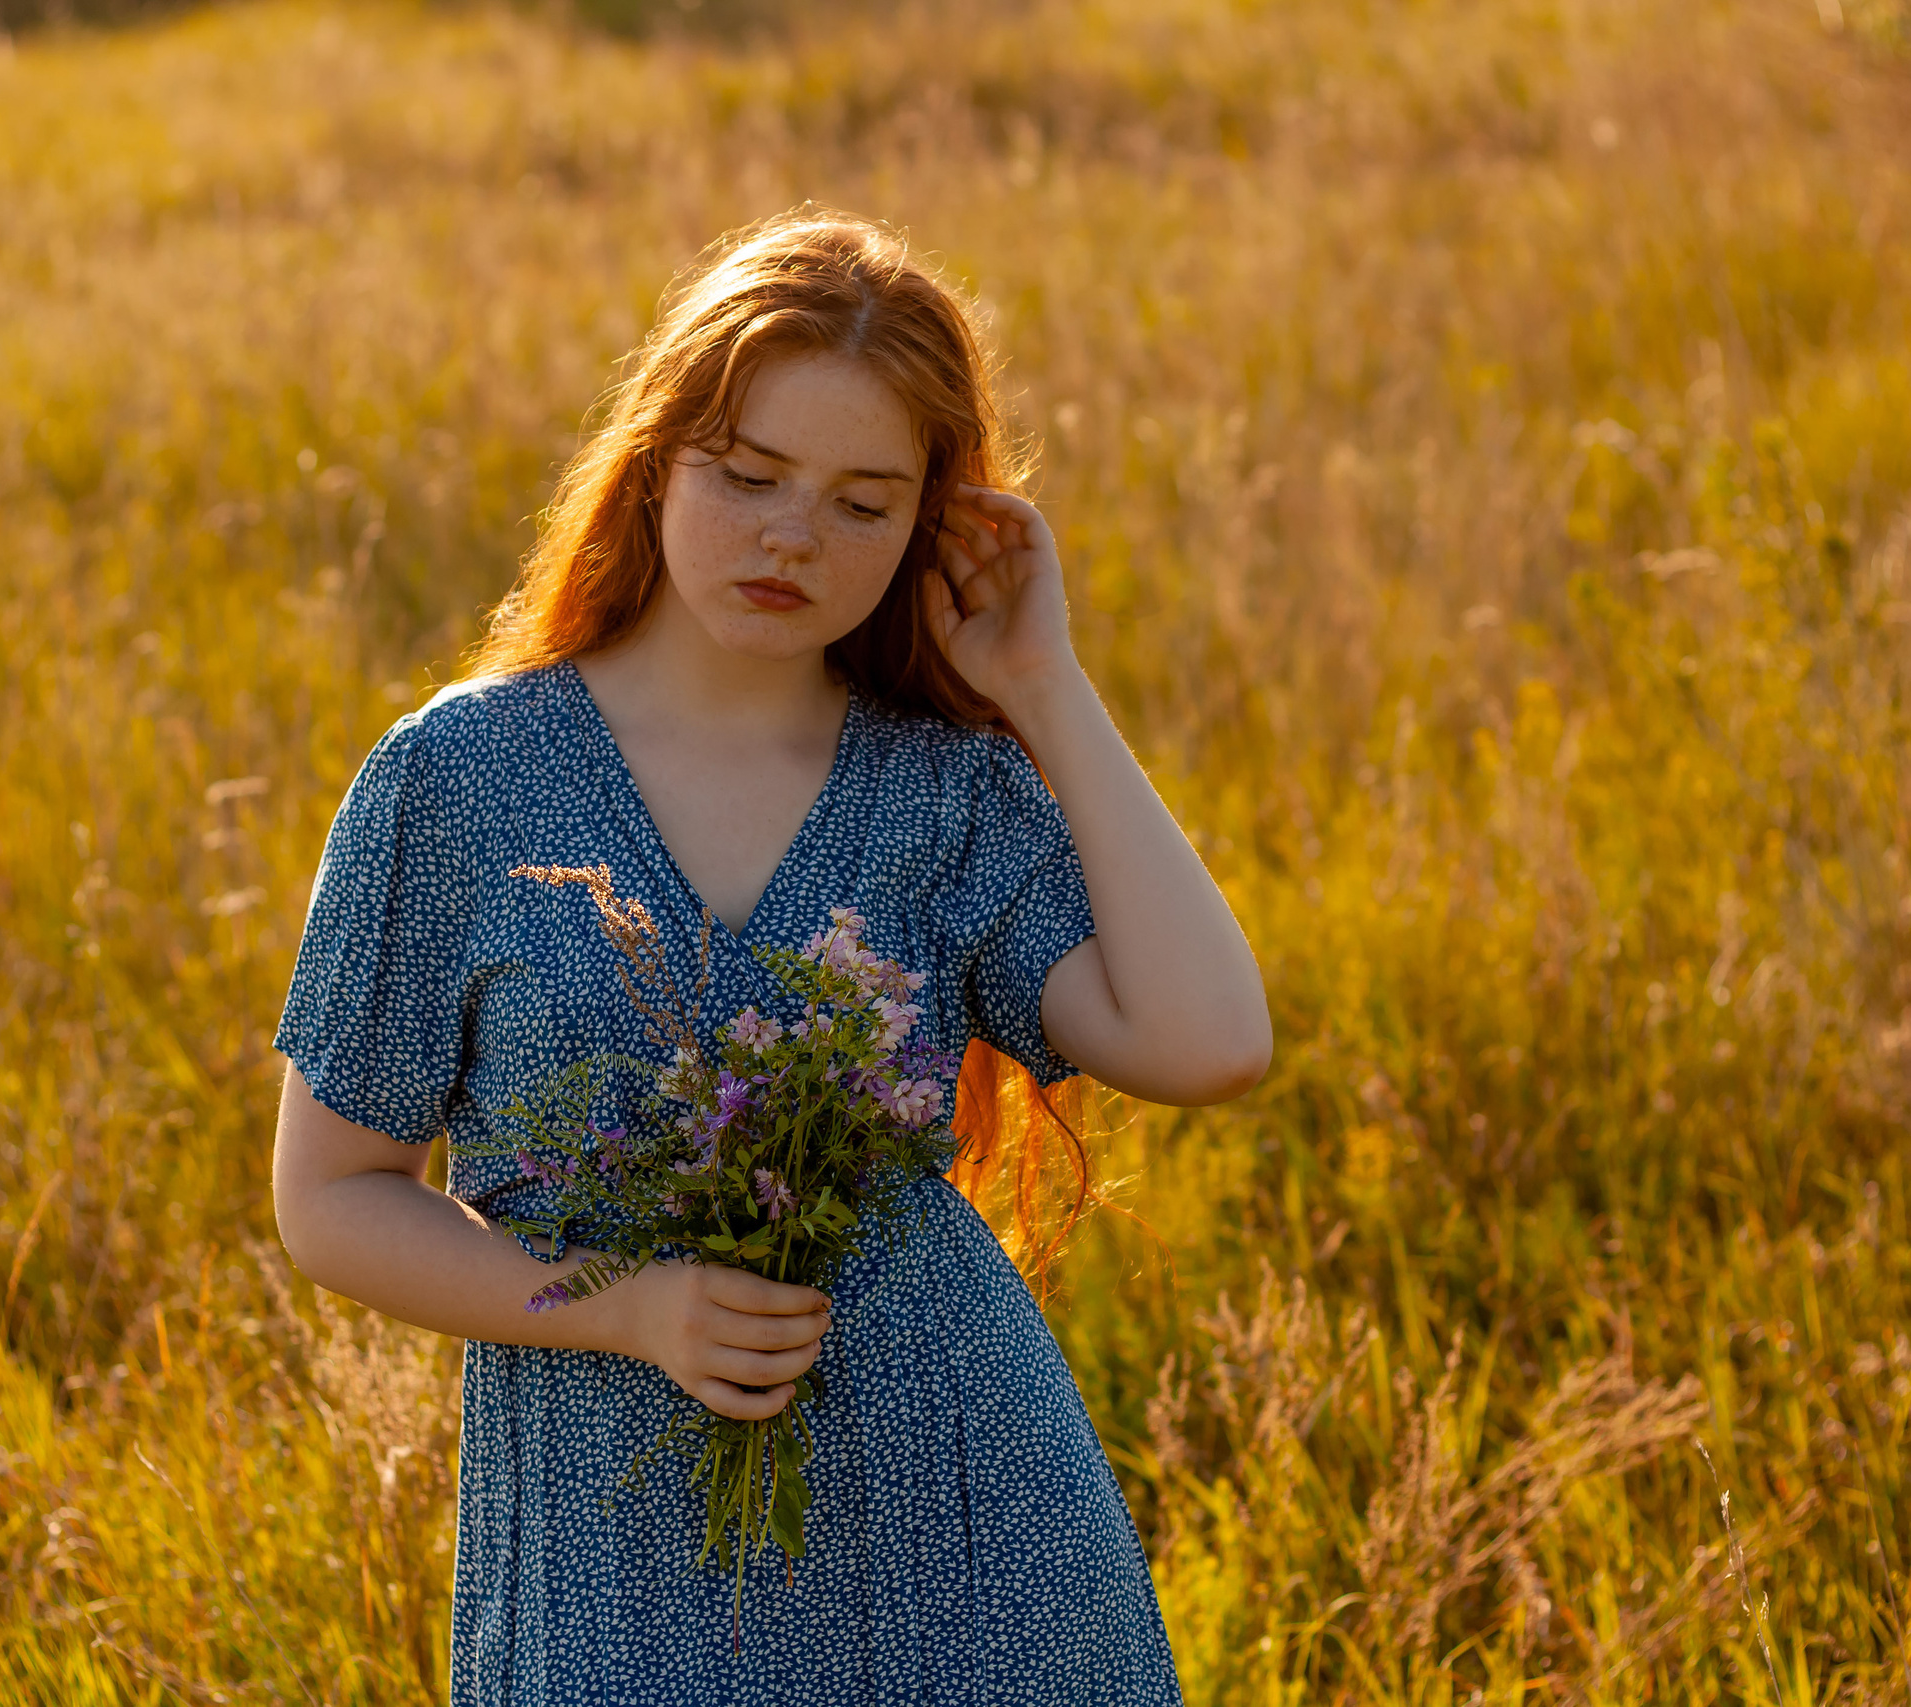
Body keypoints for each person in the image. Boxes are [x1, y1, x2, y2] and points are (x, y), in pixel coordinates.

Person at [269, 208, 1271, 1706]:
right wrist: (624, 1307)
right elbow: (332, 1199)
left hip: (973, 1538)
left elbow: (1209, 1044)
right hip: (617, 1548)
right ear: (659, 455)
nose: (794, 536)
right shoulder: (457, 782)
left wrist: (1046, 690)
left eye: (866, 506)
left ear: (930, 530)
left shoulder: (947, 792)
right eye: (749, 478)